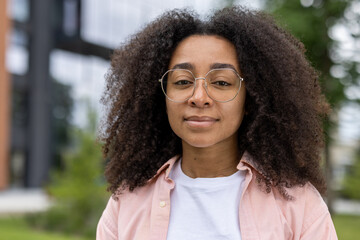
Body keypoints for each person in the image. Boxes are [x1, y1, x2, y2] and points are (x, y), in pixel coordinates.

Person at [96, 6, 338, 240]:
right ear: (161, 97)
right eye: (182, 81)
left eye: (221, 82)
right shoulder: (125, 203)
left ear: (250, 99)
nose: (199, 98)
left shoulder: (300, 206)